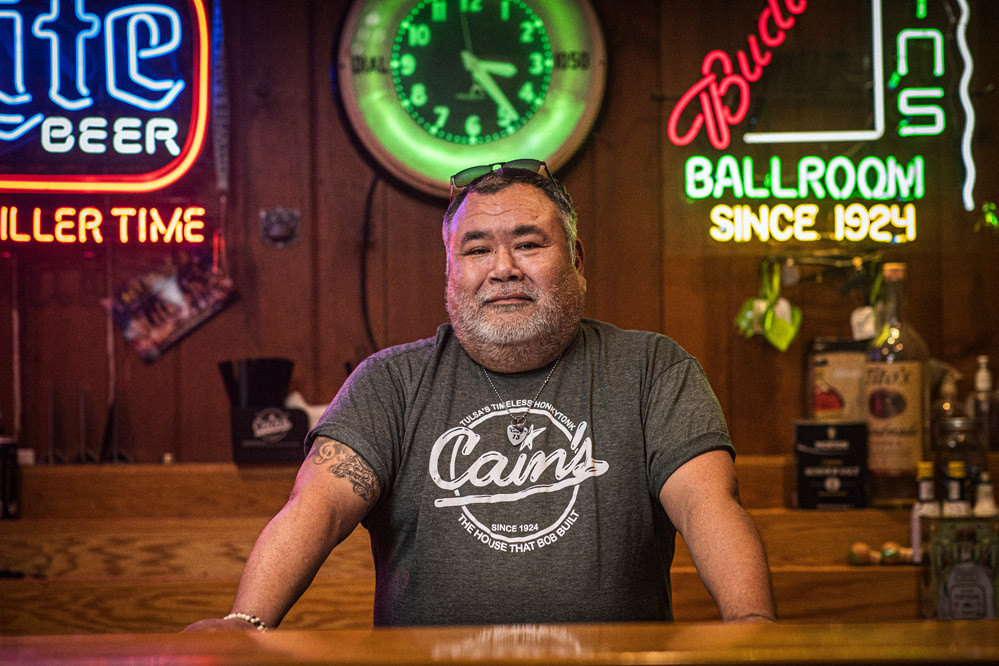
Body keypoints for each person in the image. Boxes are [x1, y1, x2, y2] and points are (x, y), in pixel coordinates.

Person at [185, 159, 776, 632]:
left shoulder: (651, 368)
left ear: (576, 262)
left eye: (529, 244)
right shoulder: (390, 382)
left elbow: (707, 504)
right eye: (476, 249)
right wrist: (244, 622)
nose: (503, 268)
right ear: (451, 272)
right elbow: (317, 508)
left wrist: (753, 627)